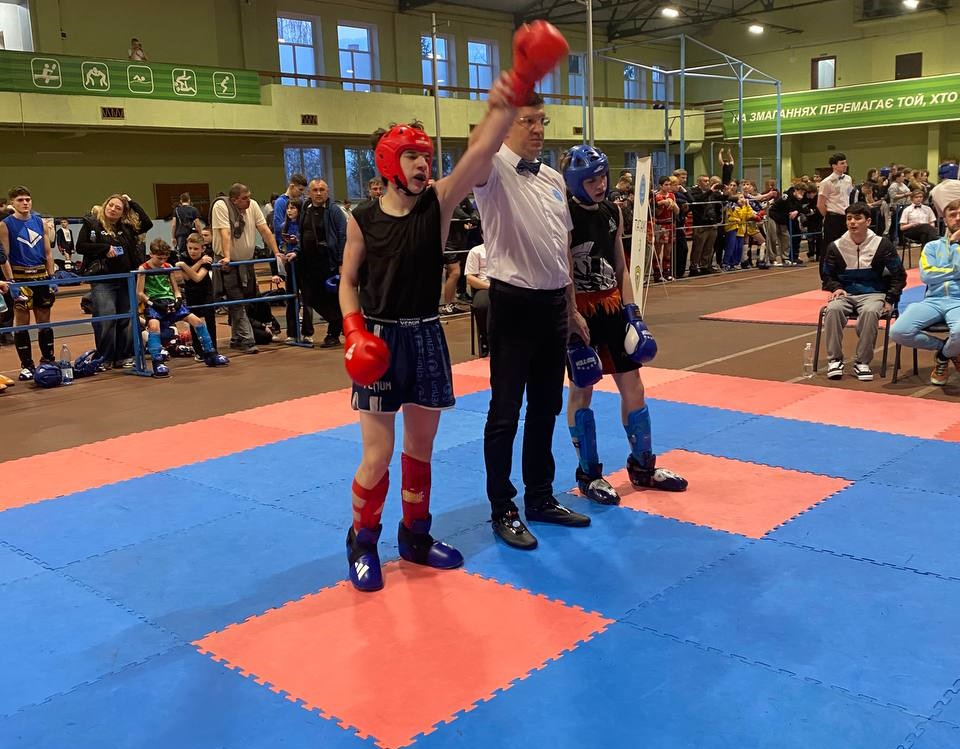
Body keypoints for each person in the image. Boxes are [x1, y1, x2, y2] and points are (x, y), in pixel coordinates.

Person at [339, 23, 569, 589]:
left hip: (425, 335)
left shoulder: (438, 204)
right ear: (389, 162)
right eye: (412, 156)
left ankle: (414, 535)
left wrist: (512, 89)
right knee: (378, 454)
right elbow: (346, 280)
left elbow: (481, 150)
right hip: (379, 338)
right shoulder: (360, 219)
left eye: (425, 156)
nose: (423, 164)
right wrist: (353, 330)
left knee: (421, 450)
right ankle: (361, 541)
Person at [474, 50, 600, 550]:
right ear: (507, 125)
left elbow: (561, 250)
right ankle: (502, 506)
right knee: (505, 411)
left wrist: (571, 308)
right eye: (527, 120)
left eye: (541, 121)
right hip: (512, 303)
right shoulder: (491, 171)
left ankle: (540, 496)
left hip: (552, 307)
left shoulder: (551, 179)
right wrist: (500, 103)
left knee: (546, 406)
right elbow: (477, 149)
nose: (537, 129)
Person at [561, 145, 687, 505]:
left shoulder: (613, 210)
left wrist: (633, 312)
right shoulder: (563, 215)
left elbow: (620, 265)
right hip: (581, 311)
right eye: (591, 180)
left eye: (602, 176)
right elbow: (562, 269)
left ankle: (643, 466)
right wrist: (571, 315)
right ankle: (589, 474)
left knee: (635, 388)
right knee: (582, 389)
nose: (600, 184)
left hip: (614, 307)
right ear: (575, 182)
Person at [820, 203, 906, 381]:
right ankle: (835, 360)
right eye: (849, 218)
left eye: (857, 218)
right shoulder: (835, 246)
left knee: (870, 312)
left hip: (874, 293)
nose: (852, 222)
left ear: (867, 221)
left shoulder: (883, 245)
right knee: (833, 310)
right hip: (846, 294)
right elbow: (826, 274)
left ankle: (862, 362)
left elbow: (899, 274)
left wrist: (890, 299)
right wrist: (836, 287)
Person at [76, 193, 152, 369]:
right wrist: (105, 248)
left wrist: (132, 202)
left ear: (122, 212)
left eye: (118, 208)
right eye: (111, 205)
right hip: (103, 279)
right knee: (107, 319)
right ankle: (105, 357)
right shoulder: (92, 224)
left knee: (126, 319)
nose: (113, 209)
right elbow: (81, 246)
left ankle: (123, 356)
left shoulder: (126, 227)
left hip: (125, 279)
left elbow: (147, 223)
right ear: (105, 205)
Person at [891, 198, 960, 386]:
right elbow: (927, 276)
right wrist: (955, 272)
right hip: (933, 301)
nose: (957, 218)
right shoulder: (932, 247)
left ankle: (944, 357)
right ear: (945, 220)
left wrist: (955, 246)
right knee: (898, 331)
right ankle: (946, 350)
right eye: (953, 215)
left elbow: (935, 273)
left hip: (958, 302)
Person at [136, 239, 228, 377]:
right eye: (159, 258)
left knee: (197, 321)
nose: (162, 261)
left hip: (171, 301)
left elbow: (176, 288)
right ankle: (158, 362)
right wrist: (153, 304)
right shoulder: (143, 268)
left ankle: (210, 353)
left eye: (164, 258)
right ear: (151, 254)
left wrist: (178, 299)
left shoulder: (167, 266)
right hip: (154, 303)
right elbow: (139, 293)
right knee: (154, 327)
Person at [211, 183, 283, 354]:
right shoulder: (221, 206)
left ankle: (236, 338)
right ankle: (247, 339)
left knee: (248, 300)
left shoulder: (253, 206)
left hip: (247, 263)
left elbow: (264, 230)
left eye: (249, 196)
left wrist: (277, 252)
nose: (249, 201)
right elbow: (225, 232)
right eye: (244, 198)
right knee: (237, 301)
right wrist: (227, 256)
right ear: (234, 200)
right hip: (228, 264)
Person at [0, 186, 56, 380]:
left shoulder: (40, 222)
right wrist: (11, 281)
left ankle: (48, 360)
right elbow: (4, 256)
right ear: (12, 203)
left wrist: (52, 276)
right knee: (22, 323)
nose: (25, 203)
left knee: (44, 321)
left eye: (27, 199)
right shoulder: (5, 225)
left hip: (41, 276)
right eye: (20, 200)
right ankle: (27, 365)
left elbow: (48, 252)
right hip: (20, 277)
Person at [298, 178, 347, 347]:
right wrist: (296, 250)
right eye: (315, 190)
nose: (319, 193)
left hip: (329, 263)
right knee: (310, 298)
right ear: (308, 193)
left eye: (322, 190)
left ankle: (333, 333)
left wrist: (341, 262)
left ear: (327, 192)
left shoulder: (334, 211)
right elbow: (302, 232)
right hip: (308, 264)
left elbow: (343, 235)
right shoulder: (306, 209)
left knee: (332, 299)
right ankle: (340, 322)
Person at [176, 232, 219, 361]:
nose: (192, 251)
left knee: (210, 321)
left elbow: (197, 277)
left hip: (206, 292)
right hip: (191, 293)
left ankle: (213, 349)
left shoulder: (207, 258)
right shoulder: (184, 257)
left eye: (196, 249)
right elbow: (185, 278)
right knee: (193, 322)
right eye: (190, 248)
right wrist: (199, 263)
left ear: (202, 248)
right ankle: (198, 351)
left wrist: (185, 266)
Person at [818, 153, 853, 249]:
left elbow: (848, 196)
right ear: (834, 166)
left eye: (845, 162)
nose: (845, 165)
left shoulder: (848, 179)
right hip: (833, 217)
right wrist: (829, 216)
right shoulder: (826, 182)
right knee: (831, 246)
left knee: (846, 245)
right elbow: (820, 204)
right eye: (842, 163)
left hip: (846, 216)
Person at [464, 242, 489, 355]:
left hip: (505, 287)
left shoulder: (507, 249)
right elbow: (470, 279)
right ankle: (485, 339)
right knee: (482, 305)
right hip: (484, 287)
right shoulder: (476, 251)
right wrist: (490, 287)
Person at [171, 193, 202, 258]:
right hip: (191, 234)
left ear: (181, 201)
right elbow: (198, 224)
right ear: (189, 200)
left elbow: (173, 225)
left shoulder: (176, 210)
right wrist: (200, 235)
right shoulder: (194, 209)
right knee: (193, 251)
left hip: (180, 234)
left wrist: (173, 237)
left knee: (181, 254)